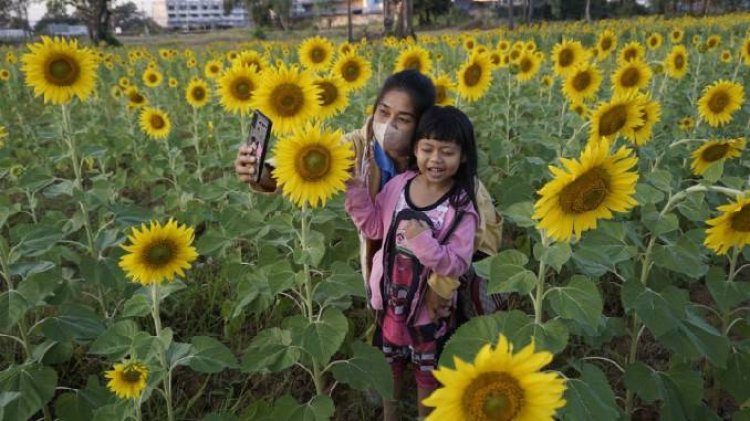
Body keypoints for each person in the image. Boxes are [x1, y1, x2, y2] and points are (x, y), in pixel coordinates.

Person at [234, 69, 502, 304]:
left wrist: (442, 288)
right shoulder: (360, 147)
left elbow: (475, 241)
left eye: (404, 119)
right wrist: (259, 172)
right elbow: (306, 161)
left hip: (453, 264)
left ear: (421, 125)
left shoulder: (448, 174)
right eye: (384, 112)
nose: (389, 125)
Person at [345, 105, 480, 420]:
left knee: (426, 374)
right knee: (388, 365)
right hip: (392, 300)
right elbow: (376, 226)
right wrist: (355, 190)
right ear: (415, 150)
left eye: (446, 152)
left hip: (427, 312)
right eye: (427, 149)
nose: (435, 159)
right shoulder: (400, 185)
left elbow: (457, 263)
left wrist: (424, 244)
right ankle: (389, 414)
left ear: (462, 156)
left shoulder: (459, 207)